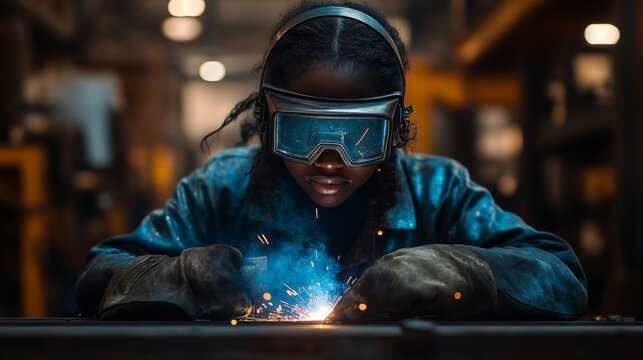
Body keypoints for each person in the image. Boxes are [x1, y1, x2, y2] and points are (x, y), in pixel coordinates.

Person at [75, 1, 588, 321]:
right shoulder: (220, 189)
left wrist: (459, 270)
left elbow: (562, 277)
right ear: (269, 121)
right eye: (303, 132)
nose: (328, 163)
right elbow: (99, 275)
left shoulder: (440, 191)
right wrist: (181, 277)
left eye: (359, 137)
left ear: (395, 131)